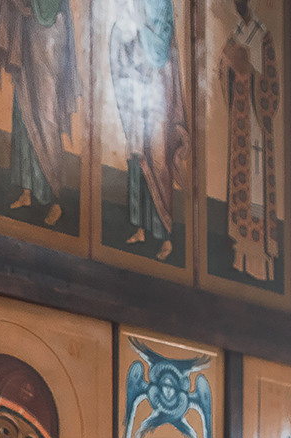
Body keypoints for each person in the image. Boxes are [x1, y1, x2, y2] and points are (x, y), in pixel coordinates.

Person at [0, 0, 78, 228]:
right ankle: (27, 189)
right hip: (25, 30)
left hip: (49, 36)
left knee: (47, 117)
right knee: (23, 109)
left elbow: (48, 9)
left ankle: (55, 198)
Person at [108, 0, 186, 257]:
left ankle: (165, 235)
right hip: (135, 84)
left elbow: (162, 44)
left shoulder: (162, 3)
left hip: (156, 85)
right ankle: (140, 227)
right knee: (137, 156)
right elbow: (122, 29)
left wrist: (141, 26)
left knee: (158, 156)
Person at [217, 0, 280, 282]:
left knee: (258, 186)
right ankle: (240, 256)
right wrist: (231, 69)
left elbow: (272, 87)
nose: (239, 7)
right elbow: (222, 75)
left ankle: (261, 263)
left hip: (257, 126)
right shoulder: (235, 37)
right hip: (241, 124)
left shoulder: (264, 37)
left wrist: (249, 73)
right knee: (241, 182)